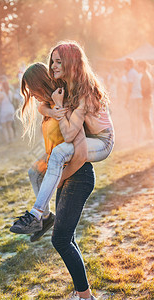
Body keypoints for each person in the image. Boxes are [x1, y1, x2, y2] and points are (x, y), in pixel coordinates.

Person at [11, 62, 97, 299]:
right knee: (65, 238)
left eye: (33, 88)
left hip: (78, 176)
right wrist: (49, 110)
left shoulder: (65, 104)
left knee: (60, 240)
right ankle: (82, 292)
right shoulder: (48, 105)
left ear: (41, 83)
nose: (33, 95)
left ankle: (86, 296)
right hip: (64, 175)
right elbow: (41, 110)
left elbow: (77, 150)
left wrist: (61, 177)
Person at [10, 42, 114, 236]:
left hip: (102, 141)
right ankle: (46, 217)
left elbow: (69, 136)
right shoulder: (64, 87)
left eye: (58, 62)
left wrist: (61, 177)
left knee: (58, 153)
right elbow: (43, 105)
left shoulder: (81, 93)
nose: (53, 66)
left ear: (71, 63)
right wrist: (53, 109)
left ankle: (36, 214)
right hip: (84, 137)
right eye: (52, 62)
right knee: (35, 172)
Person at [124, 58, 142, 141]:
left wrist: (126, 101)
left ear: (130, 64)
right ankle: (138, 136)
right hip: (138, 97)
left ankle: (135, 137)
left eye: (126, 63)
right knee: (137, 117)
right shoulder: (134, 72)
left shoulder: (131, 73)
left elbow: (129, 89)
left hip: (134, 98)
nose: (124, 65)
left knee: (133, 118)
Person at [138, 60, 154, 139]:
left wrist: (139, 91)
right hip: (148, 98)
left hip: (146, 98)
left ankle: (149, 134)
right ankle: (149, 133)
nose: (138, 68)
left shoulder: (145, 76)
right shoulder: (148, 75)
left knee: (146, 116)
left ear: (142, 67)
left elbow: (144, 89)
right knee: (147, 116)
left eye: (139, 67)